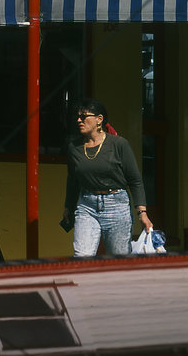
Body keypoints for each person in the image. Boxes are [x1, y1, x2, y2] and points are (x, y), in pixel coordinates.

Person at [62, 98, 153, 256]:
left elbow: (135, 180)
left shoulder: (118, 144)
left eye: (83, 116)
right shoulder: (74, 147)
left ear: (99, 119)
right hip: (86, 206)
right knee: (82, 257)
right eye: (77, 117)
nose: (79, 120)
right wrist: (68, 208)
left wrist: (142, 212)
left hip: (116, 206)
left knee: (118, 262)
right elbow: (73, 180)